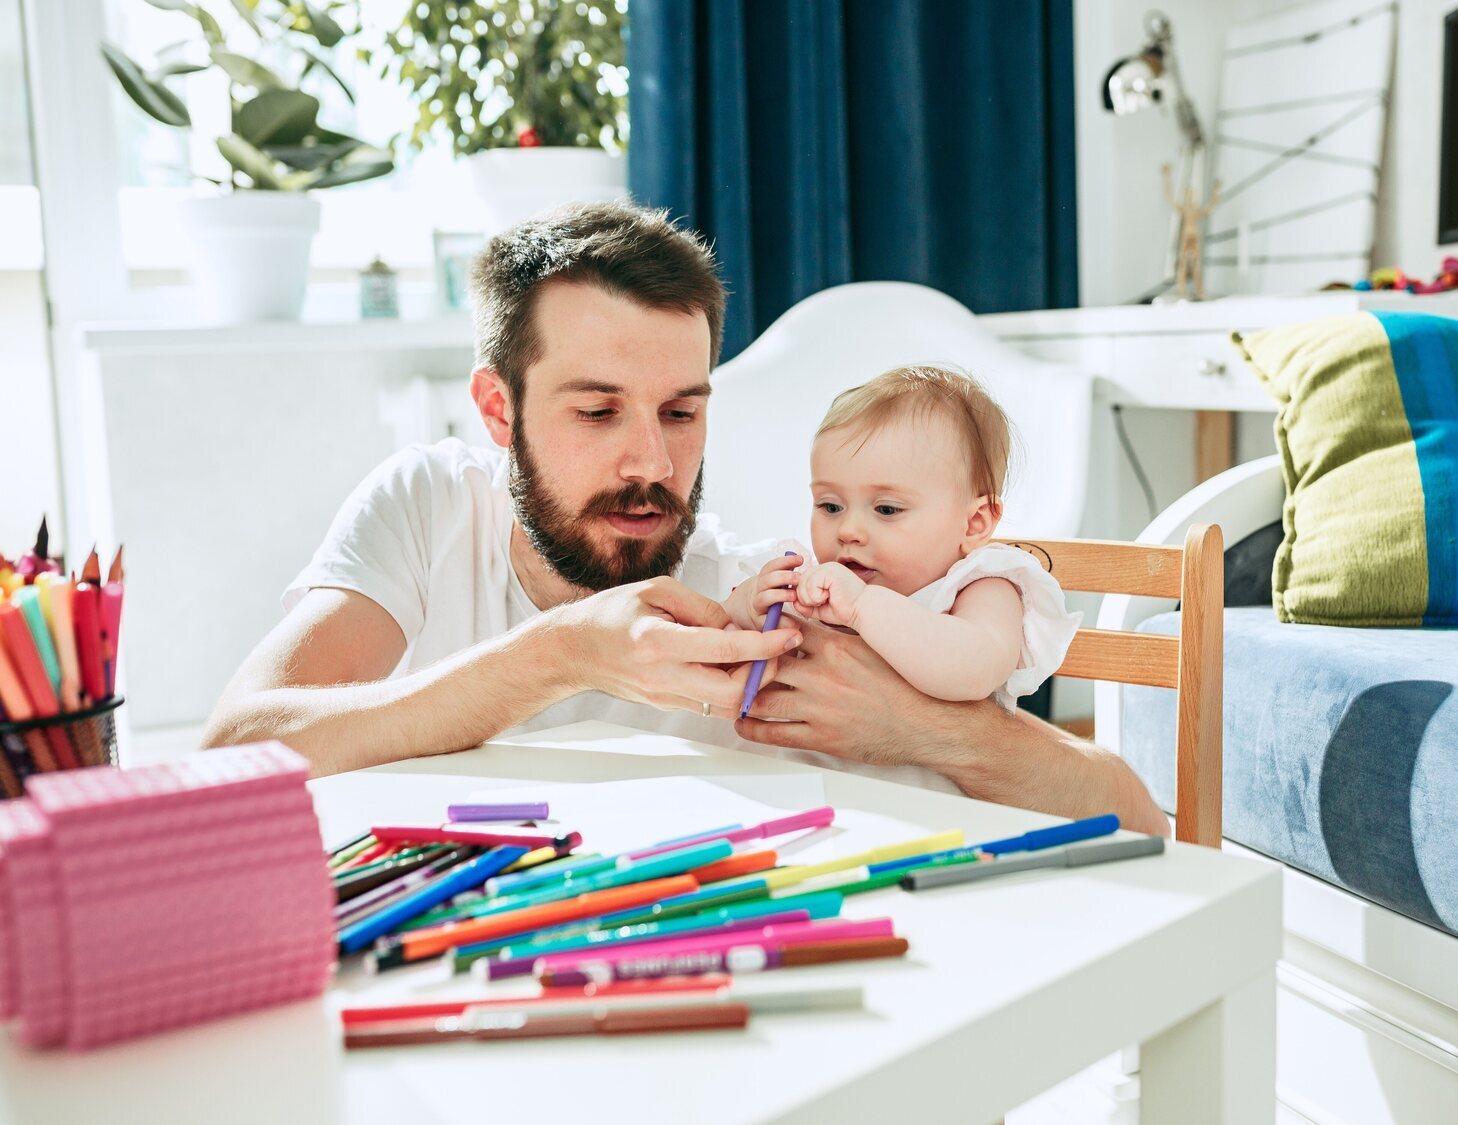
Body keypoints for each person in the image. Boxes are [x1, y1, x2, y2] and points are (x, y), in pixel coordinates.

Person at [202, 201, 1167, 836]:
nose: (652, 466)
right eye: (595, 411)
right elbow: (235, 752)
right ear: (498, 410)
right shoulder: (427, 508)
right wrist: (561, 653)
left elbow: (1136, 815)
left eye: (681, 410)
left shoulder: (756, 603)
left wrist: (927, 730)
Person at [727, 364, 1080, 710]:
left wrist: (863, 606)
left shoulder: (982, 587)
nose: (848, 531)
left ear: (973, 523)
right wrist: (747, 608)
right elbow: (720, 642)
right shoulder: (820, 584)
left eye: (886, 510)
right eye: (830, 506)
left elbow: (971, 671)